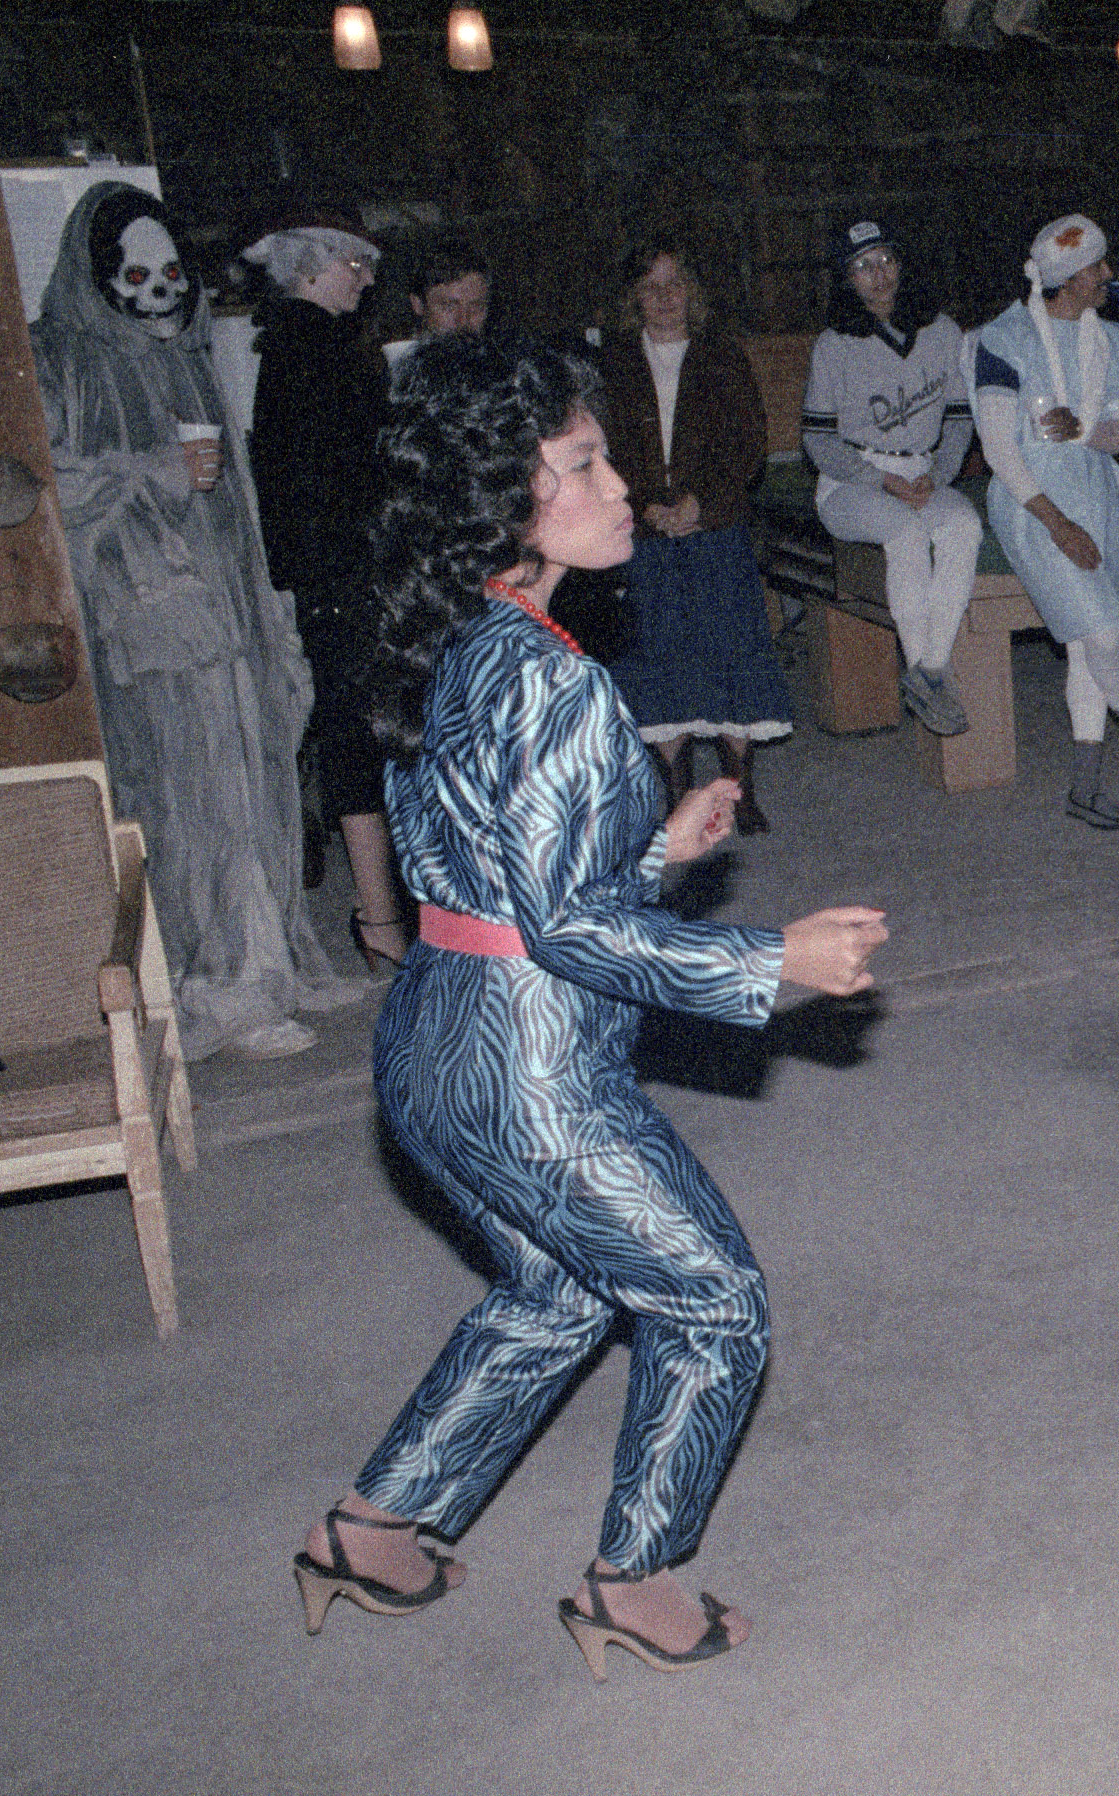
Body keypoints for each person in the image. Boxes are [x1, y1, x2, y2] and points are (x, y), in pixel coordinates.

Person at [293, 332, 885, 1682]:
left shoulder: (457, 634)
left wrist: (655, 848)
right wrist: (770, 965)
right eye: (582, 464)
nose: (619, 485)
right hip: (529, 1070)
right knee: (714, 1300)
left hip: (431, 1043)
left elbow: (495, 872)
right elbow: (565, 930)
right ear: (502, 502)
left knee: (556, 1295)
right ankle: (635, 1579)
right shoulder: (555, 678)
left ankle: (369, 1530)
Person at [31, 181, 357, 1060]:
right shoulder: (57, 357)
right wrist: (151, 472)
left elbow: (234, 493)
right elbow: (41, 485)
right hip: (149, 618)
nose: (159, 293)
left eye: (171, 272)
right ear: (99, 276)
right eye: (136, 276)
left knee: (253, 783)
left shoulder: (186, 351)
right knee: (192, 800)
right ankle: (219, 991)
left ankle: (272, 961)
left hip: (228, 607)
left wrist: (268, 605)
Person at [243, 207, 409, 971]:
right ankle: (379, 917)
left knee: (363, 736)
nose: (367, 279)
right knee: (360, 738)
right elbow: (337, 480)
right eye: (356, 264)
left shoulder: (302, 344)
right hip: (345, 576)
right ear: (309, 266)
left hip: (337, 573)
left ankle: (385, 912)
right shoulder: (313, 349)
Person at [971, 213, 1119, 829]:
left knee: (1089, 644)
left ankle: (1084, 788)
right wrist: (1058, 524)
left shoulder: (1116, 341)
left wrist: (1085, 432)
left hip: (1101, 493)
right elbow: (1000, 451)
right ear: (1068, 278)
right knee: (1103, 634)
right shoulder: (1003, 339)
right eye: (1096, 267)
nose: (1107, 275)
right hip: (1034, 503)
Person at [598, 238, 792, 831]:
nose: (664, 297)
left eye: (675, 283)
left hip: (714, 524)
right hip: (645, 529)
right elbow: (604, 445)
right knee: (658, 655)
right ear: (634, 295)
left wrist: (700, 503)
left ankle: (739, 788)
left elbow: (747, 444)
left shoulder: (721, 354)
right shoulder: (614, 363)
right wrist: (644, 504)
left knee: (732, 650)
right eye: (651, 286)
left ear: (693, 290)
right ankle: (677, 792)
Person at [802, 218, 981, 737]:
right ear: (847, 279)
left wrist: (941, 472)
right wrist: (881, 479)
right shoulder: (834, 344)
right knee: (906, 532)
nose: (878, 274)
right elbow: (818, 440)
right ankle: (925, 668)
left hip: (923, 470)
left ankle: (929, 672)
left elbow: (958, 417)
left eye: (885, 260)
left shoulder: (942, 331)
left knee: (963, 525)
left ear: (901, 265)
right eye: (863, 266)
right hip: (851, 481)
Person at [384, 236, 490, 372]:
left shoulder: (507, 375)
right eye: (449, 307)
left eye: (476, 307)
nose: (463, 321)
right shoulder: (392, 373)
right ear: (418, 305)